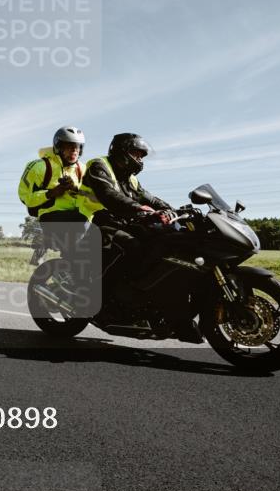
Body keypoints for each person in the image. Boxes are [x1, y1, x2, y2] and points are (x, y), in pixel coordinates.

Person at [82, 133, 202, 342]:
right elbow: (109, 195)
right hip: (95, 221)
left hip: (121, 222)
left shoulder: (130, 178)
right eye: (136, 153)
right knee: (130, 246)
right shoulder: (98, 166)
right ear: (121, 151)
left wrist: (174, 210)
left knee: (160, 244)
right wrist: (139, 209)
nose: (140, 159)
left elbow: (150, 198)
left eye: (142, 155)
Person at [17, 126, 92, 256]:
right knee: (82, 222)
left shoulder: (82, 168)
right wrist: (52, 193)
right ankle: (63, 261)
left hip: (77, 213)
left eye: (78, 147)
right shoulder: (39, 167)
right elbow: (26, 198)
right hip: (50, 215)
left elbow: (90, 194)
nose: (74, 150)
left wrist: (75, 189)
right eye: (69, 146)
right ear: (59, 147)